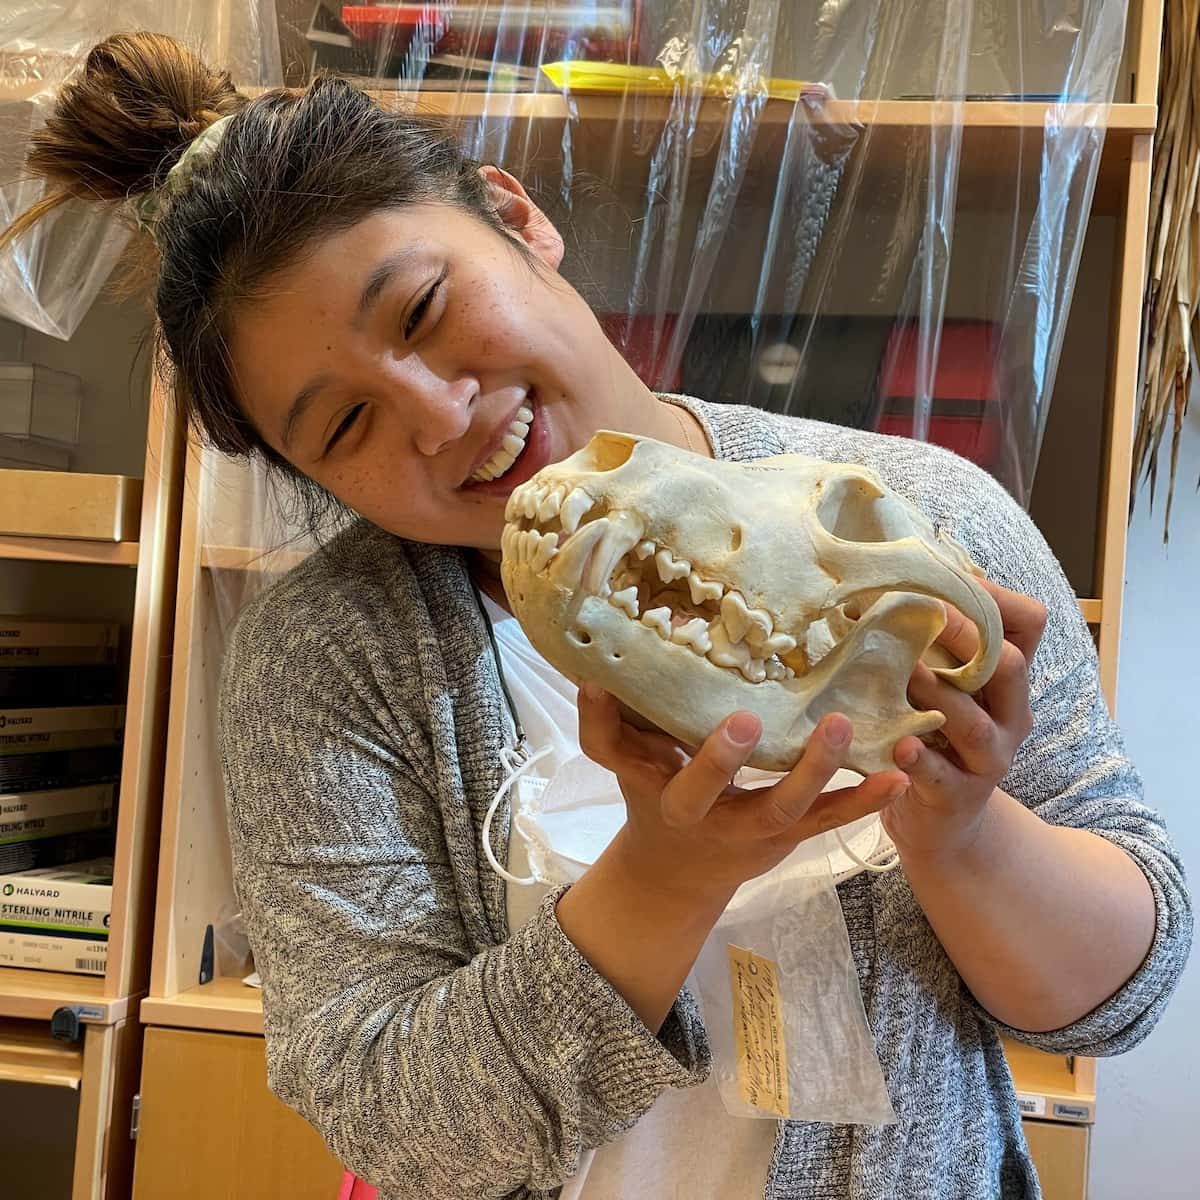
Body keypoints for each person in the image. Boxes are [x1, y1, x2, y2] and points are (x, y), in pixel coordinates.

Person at [7, 32, 1191, 1200]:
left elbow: (1121, 996)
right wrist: (666, 873)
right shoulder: (324, 660)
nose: (436, 417)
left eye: (422, 311)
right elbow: (390, 1124)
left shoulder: (913, 518)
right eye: (345, 428)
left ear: (519, 221)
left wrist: (963, 832)